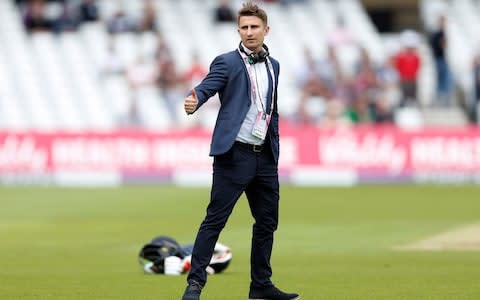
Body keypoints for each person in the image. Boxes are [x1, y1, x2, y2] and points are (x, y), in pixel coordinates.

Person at [181, 2, 300, 300]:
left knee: (267, 223)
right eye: (244, 28)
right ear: (238, 31)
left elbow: (270, 108)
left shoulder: (275, 66)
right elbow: (208, 86)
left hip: (265, 157)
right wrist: (195, 98)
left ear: (266, 30)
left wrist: (274, 148)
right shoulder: (226, 62)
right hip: (234, 155)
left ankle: (260, 286)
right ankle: (195, 285)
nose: (249, 32)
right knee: (215, 220)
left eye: (254, 27)